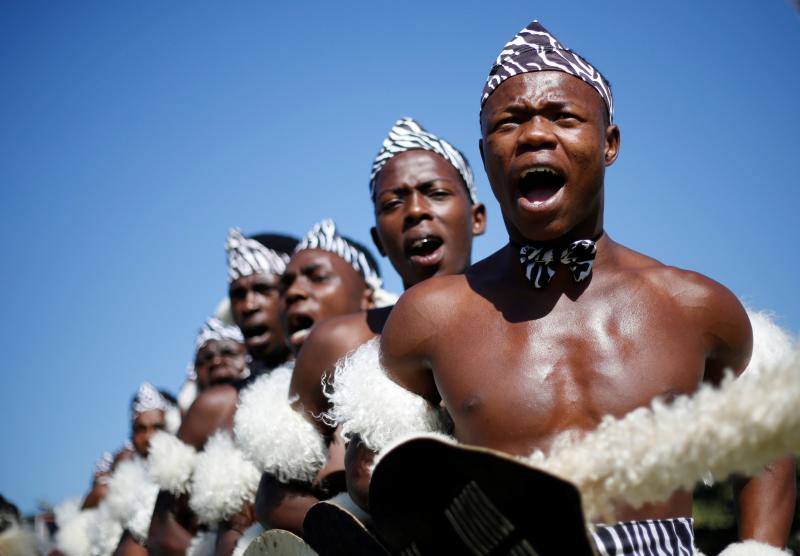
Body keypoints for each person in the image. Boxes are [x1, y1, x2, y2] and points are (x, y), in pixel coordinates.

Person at [374, 20, 795, 554]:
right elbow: (388, 480)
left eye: (563, 117)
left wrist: (758, 548)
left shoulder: (696, 306)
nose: (534, 135)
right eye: (510, 122)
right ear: (485, 158)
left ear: (609, 143)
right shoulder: (430, 317)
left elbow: (767, 441)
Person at [291, 117, 486, 515]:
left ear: (477, 217)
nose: (415, 211)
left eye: (434, 192)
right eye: (393, 203)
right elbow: (275, 496)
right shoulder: (339, 342)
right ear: (379, 239)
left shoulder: (527, 314)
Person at [233, 219, 391, 538]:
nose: (294, 293)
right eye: (286, 285)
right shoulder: (279, 405)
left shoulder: (405, 355)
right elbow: (270, 502)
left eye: (317, 277)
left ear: (368, 297)